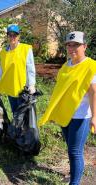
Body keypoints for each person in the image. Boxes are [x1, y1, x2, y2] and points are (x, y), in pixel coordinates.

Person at [38, 31, 96, 185]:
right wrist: (52, 111)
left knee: (75, 151)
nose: (72, 48)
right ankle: (73, 174)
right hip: (65, 115)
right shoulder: (65, 66)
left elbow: (93, 92)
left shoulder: (91, 66)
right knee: (70, 148)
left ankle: (74, 183)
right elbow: (60, 91)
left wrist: (95, 117)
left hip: (81, 116)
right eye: (69, 45)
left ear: (84, 46)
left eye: (76, 45)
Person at [0, 24, 36, 114]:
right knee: (15, 113)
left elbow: (30, 68)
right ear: (7, 37)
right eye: (10, 35)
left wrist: (32, 84)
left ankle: (22, 128)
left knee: (23, 115)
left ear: (19, 36)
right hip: (10, 88)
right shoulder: (4, 52)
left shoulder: (25, 49)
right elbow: (1, 69)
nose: (12, 37)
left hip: (23, 89)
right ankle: (16, 128)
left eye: (15, 35)